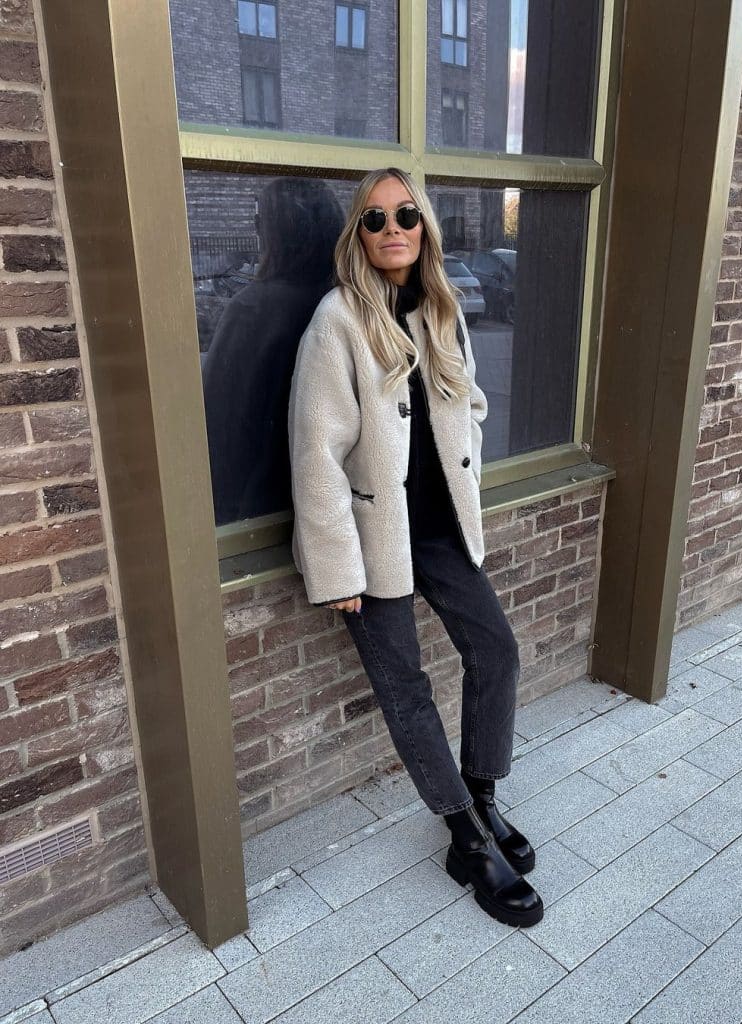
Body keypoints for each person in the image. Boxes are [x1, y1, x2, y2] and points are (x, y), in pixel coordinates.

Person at [287, 167, 543, 928]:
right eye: (374, 218)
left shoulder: (441, 309)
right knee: (406, 688)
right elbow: (315, 453)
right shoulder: (337, 320)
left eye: (405, 214)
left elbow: (472, 404)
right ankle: (465, 837)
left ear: (424, 225)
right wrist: (337, 566)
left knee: (495, 651)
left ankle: (482, 797)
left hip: (441, 532)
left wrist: (467, 461)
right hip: (373, 541)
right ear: (358, 235)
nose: (392, 228)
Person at [203, 177, 344, 524]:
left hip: (259, 508)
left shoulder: (254, 310)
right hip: (331, 502)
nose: (257, 230)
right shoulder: (348, 303)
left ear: (279, 233)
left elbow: (219, 426)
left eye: (260, 220)